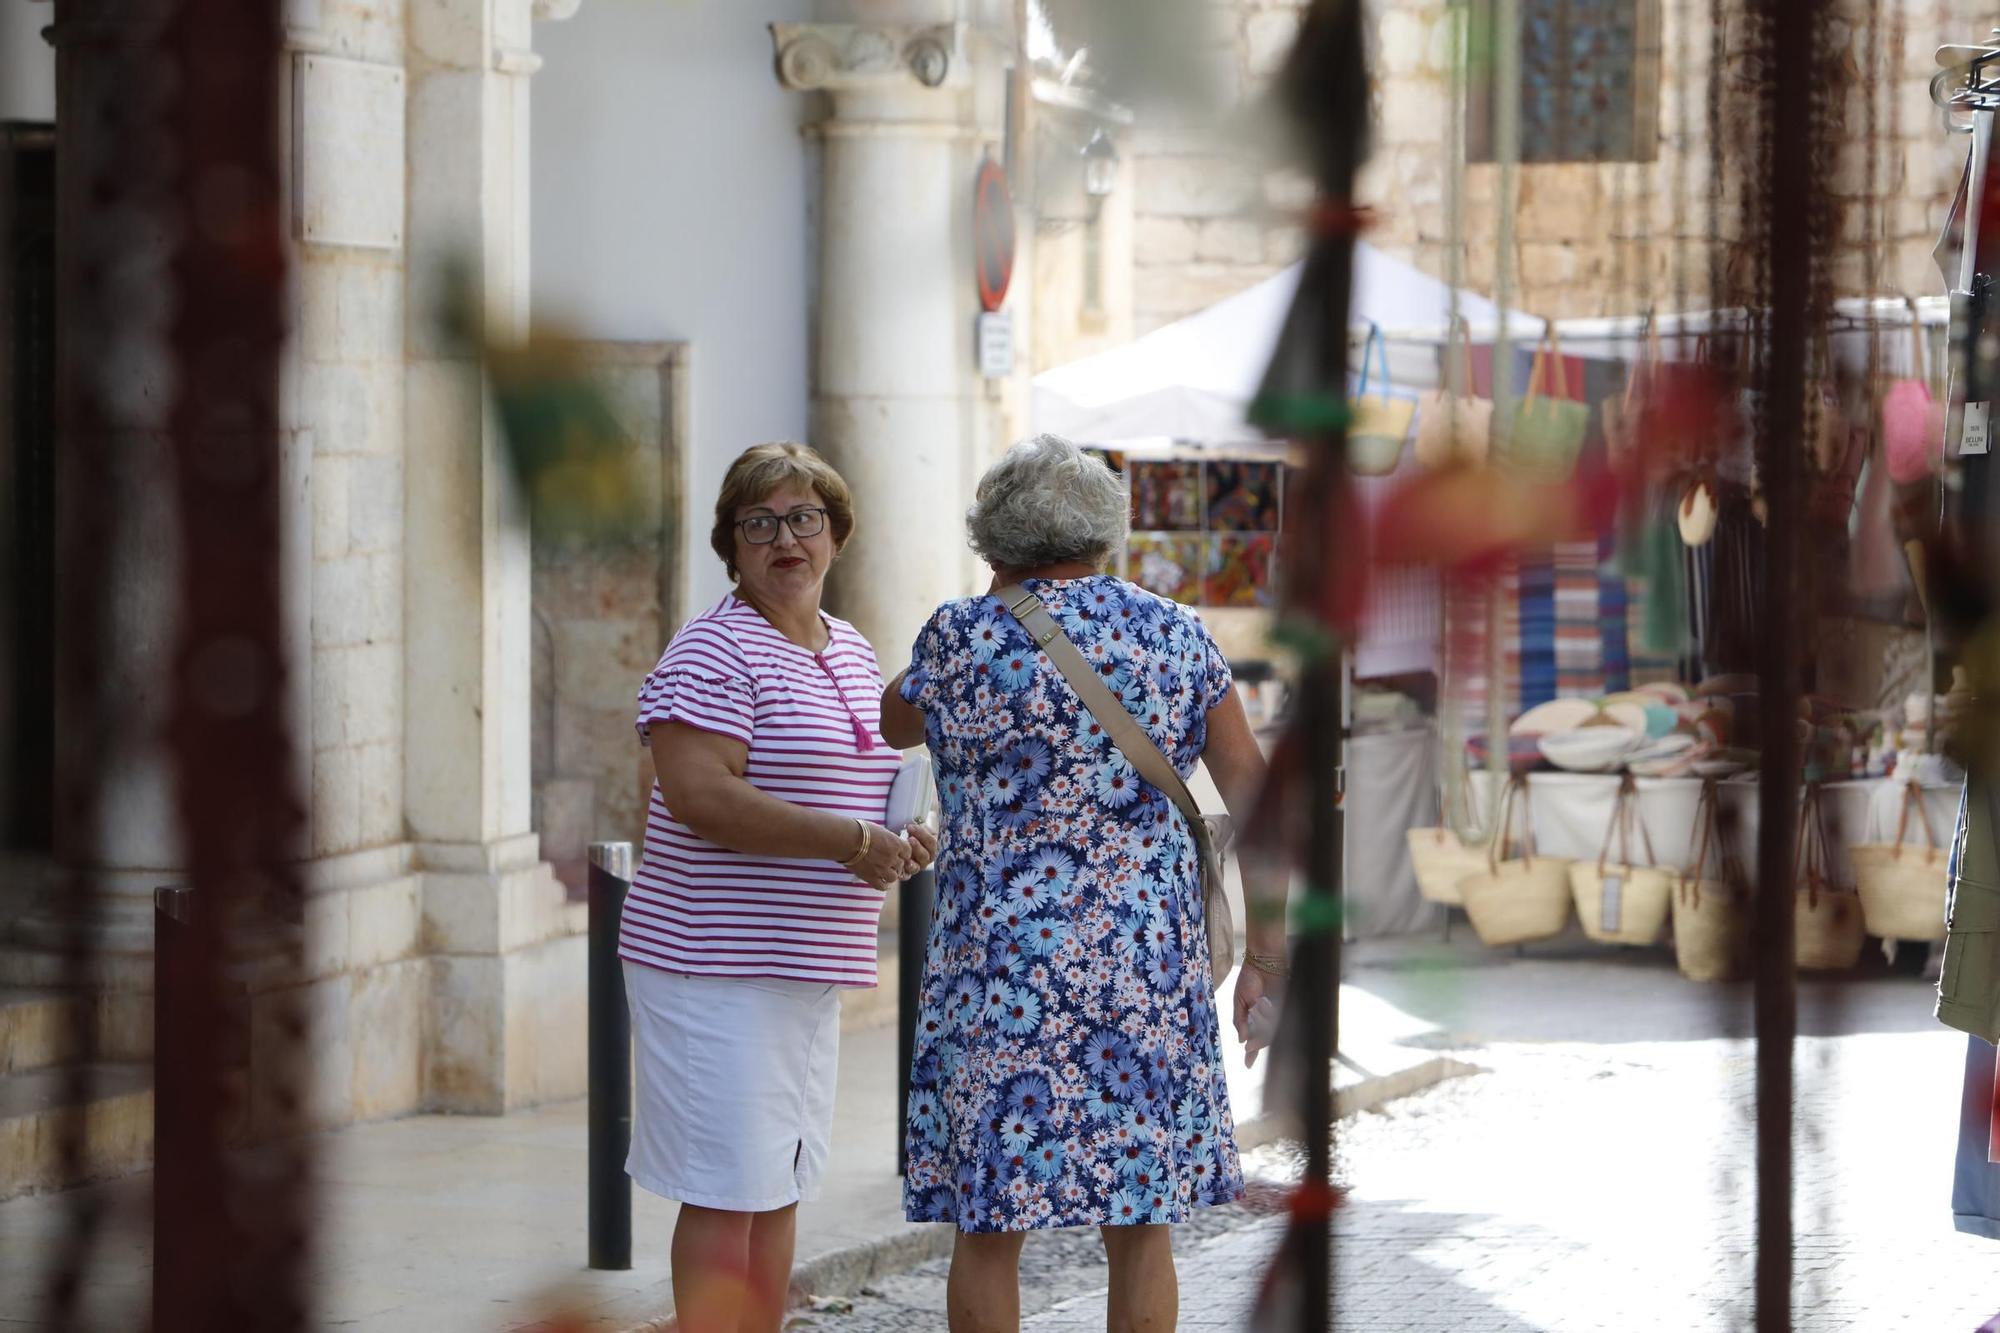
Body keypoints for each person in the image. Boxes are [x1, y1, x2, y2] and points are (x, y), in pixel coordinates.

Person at [880, 434, 1286, 1333]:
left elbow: (891, 717)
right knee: (1140, 1224)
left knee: (988, 1225)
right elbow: (1257, 794)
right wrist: (1265, 955)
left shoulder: (958, 637)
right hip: (1140, 972)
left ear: (993, 540)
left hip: (998, 976)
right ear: (1107, 534)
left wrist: (998, 600)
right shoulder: (1176, 636)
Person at [622, 442, 938, 1333]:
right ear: (731, 544)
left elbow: (851, 775)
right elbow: (699, 793)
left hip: (802, 968)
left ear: (836, 534)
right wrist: (849, 841)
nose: (785, 538)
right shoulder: (713, 650)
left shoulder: (846, 647)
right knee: (726, 1194)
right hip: (711, 964)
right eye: (758, 523)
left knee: (780, 1184)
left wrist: (902, 833)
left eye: (804, 518)